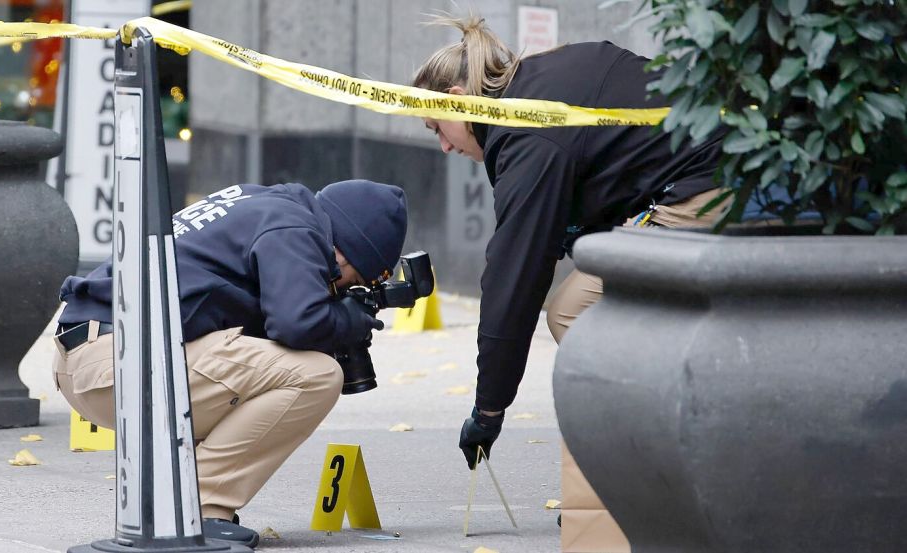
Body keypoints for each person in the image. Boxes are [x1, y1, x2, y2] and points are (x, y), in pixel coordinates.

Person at [412, 15, 728, 470]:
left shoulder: (524, 135)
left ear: (459, 102)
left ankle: (652, 467)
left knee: (574, 310)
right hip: (713, 170)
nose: (443, 146)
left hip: (705, 188)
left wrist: (488, 409)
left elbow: (514, 278)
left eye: (437, 127)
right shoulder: (541, 78)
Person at [52, 179, 407, 548]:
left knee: (260, 372)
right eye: (354, 282)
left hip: (91, 356)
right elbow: (296, 322)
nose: (341, 289)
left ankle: (172, 502)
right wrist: (351, 319)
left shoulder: (266, 203)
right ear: (345, 254)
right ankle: (199, 509)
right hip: (119, 363)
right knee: (315, 376)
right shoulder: (295, 229)